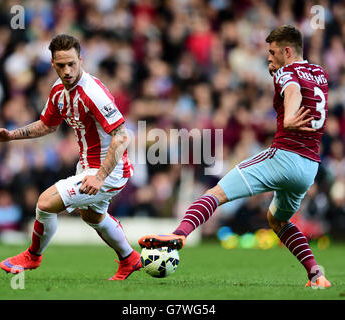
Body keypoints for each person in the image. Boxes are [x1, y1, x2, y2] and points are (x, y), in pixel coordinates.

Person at [139, 25, 331, 288]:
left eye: (273, 52)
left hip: (284, 156)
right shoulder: (320, 73)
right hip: (309, 167)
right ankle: (316, 274)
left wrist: (289, 114)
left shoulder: (287, 72)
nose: (269, 58)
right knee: (278, 220)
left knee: (216, 193)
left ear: (288, 51)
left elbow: (293, 91)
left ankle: (178, 235)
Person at [0, 34, 141, 280]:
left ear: (81, 59)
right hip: (87, 167)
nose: (67, 70)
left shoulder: (93, 93)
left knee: (45, 203)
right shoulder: (59, 90)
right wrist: (11, 135)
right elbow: (48, 125)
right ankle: (129, 259)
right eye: (61, 65)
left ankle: (32, 256)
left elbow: (123, 137)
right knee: (92, 215)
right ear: (52, 64)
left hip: (108, 170)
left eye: (72, 64)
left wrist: (100, 176)